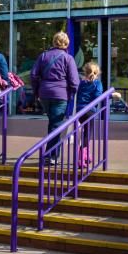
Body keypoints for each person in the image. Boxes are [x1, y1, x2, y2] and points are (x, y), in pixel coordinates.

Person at [31, 32, 79, 164]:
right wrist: (72, 94)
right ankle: (50, 156)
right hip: (60, 94)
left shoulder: (43, 56)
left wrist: (37, 92)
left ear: (54, 42)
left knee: (53, 123)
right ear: (66, 43)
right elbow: (75, 81)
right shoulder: (68, 58)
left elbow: (33, 75)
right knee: (56, 125)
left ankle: (52, 154)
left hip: (45, 93)